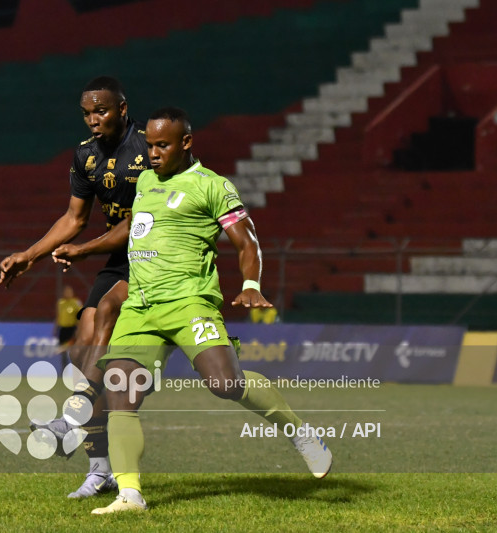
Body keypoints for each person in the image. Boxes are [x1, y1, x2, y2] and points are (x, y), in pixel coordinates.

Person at [79, 108, 333, 514]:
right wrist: (86, 247)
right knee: (121, 395)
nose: (154, 154)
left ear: (186, 143)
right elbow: (137, 224)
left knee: (225, 384)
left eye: (163, 145)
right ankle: (130, 495)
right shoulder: (145, 180)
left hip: (189, 302)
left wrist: (251, 285)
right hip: (141, 305)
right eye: (150, 145)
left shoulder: (212, 186)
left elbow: (247, 242)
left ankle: (299, 432)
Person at [0, 76, 150, 498]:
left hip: (156, 257)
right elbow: (73, 218)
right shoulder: (85, 156)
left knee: (108, 332)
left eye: (100, 110)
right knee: (83, 351)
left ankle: (74, 418)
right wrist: (28, 255)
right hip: (118, 259)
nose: (93, 119)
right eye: (86, 113)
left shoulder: (149, 146)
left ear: (122, 108)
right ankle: (99, 468)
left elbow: (139, 221)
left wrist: (83, 251)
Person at [56, 285, 82, 369]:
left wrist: (78, 329)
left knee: (74, 352)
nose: (68, 293)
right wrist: (55, 328)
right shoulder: (60, 302)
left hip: (72, 329)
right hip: (63, 329)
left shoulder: (76, 302)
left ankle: (77, 369)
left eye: (69, 291)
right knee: (63, 352)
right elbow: (58, 316)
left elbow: (80, 316)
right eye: (66, 291)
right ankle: (64, 370)